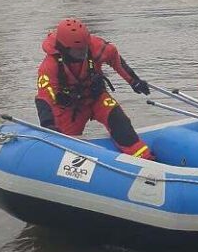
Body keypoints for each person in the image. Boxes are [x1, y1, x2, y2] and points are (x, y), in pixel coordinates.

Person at [35, 17, 154, 159]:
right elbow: (44, 97)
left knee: (120, 122)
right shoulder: (49, 66)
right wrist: (48, 124)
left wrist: (134, 81)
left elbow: (115, 59)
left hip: (96, 98)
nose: (82, 54)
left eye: (83, 50)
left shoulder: (95, 46)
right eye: (77, 52)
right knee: (63, 145)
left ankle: (146, 159)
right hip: (71, 109)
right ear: (64, 49)